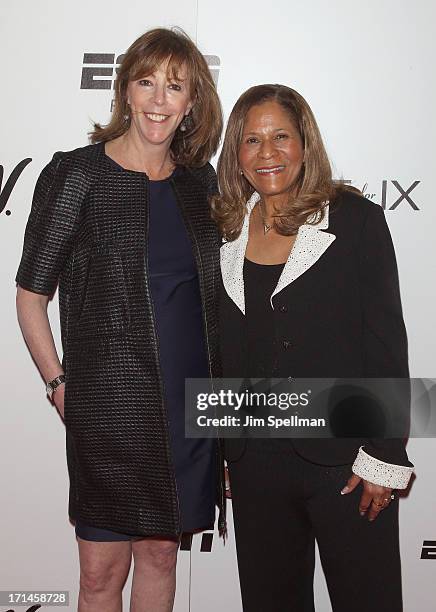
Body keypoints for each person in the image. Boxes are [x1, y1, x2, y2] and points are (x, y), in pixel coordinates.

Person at [16, 27, 224, 612]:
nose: (159, 99)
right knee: (100, 572)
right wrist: (58, 383)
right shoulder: (77, 175)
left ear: (190, 104)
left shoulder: (199, 184)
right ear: (126, 92)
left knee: (160, 557)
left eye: (175, 87)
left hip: (189, 405)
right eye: (147, 82)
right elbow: (31, 293)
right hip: (108, 406)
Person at [212, 84, 414, 612]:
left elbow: (387, 345)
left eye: (281, 136)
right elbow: (226, 350)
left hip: (344, 463)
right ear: (236, 152)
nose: (267, 153)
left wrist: (384, 454)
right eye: (251, 140)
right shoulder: (224, 228)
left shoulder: (354, 220)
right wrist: (223, 449)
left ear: (305, 142)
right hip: (255, 463)